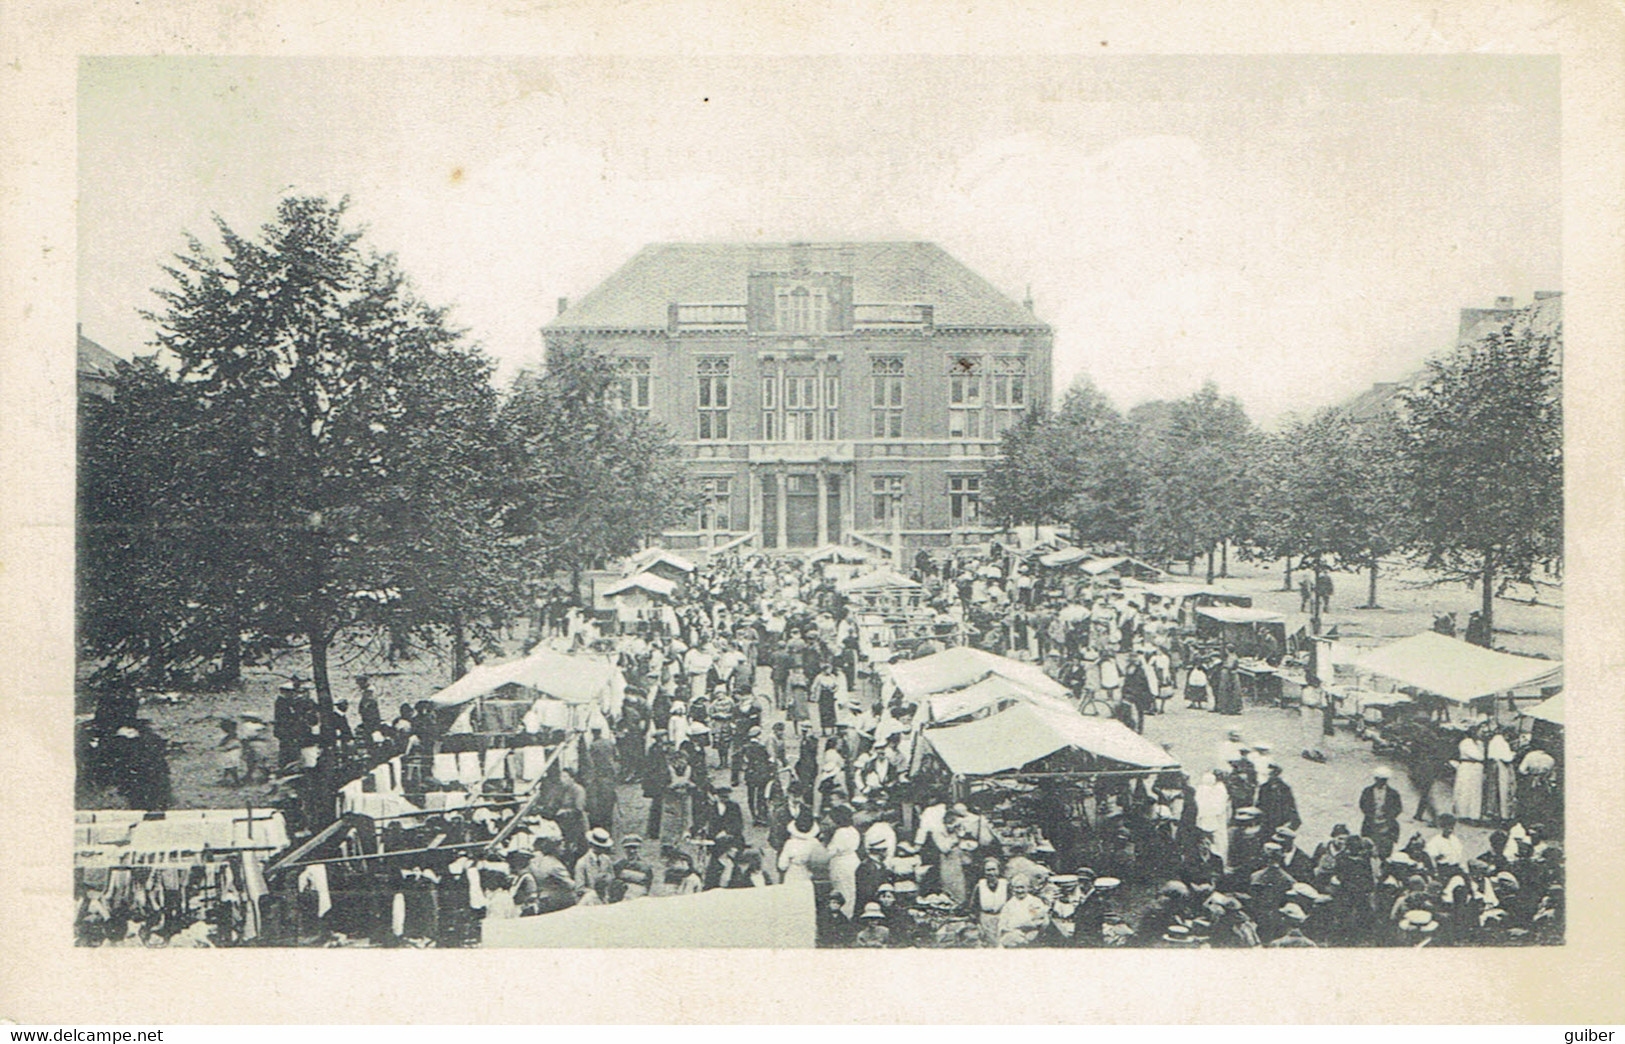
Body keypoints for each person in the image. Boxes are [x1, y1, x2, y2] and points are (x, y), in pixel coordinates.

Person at [1359, 767, 1404, 858]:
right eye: (1379, 780)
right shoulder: (1368, 791)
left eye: (1384, 780)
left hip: (1387, 826)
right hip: (1370, 824)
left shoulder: (1393, 793)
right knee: (1368, 851)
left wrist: (1388, 817)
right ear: (1375, 779)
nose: (1381, 782)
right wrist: (1371, 814)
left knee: (1385, 851)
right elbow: (1362, 804)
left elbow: (1398, 808)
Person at [1256, 763, 1302, 837]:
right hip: (1266, 819)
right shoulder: (1264, 787)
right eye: (1270, 774)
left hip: (1279, 818)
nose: (1271, 776)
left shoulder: (1284, 788)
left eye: (1273, 774)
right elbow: (1259, 803)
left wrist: (1293, 819)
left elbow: (1290, 804)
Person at [1453, 726, 1487, 823]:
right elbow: (1479, 756)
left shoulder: (1479, 743)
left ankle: (1474, 815)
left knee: (1475, 792)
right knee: (1465, 790)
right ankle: (1463, 814)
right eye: (1480, 731)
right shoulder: (1466, 742)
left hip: (1476, 769)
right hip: (1467, 767)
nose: (1481, 734)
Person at [975, 857, 1009, 947]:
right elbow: (974, 906)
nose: (991, 873)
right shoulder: (980, 885)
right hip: (986, 919)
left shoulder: (1005, 884)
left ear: (998, 870)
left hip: (1002, 918)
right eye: (988, 870)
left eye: (993, 869)